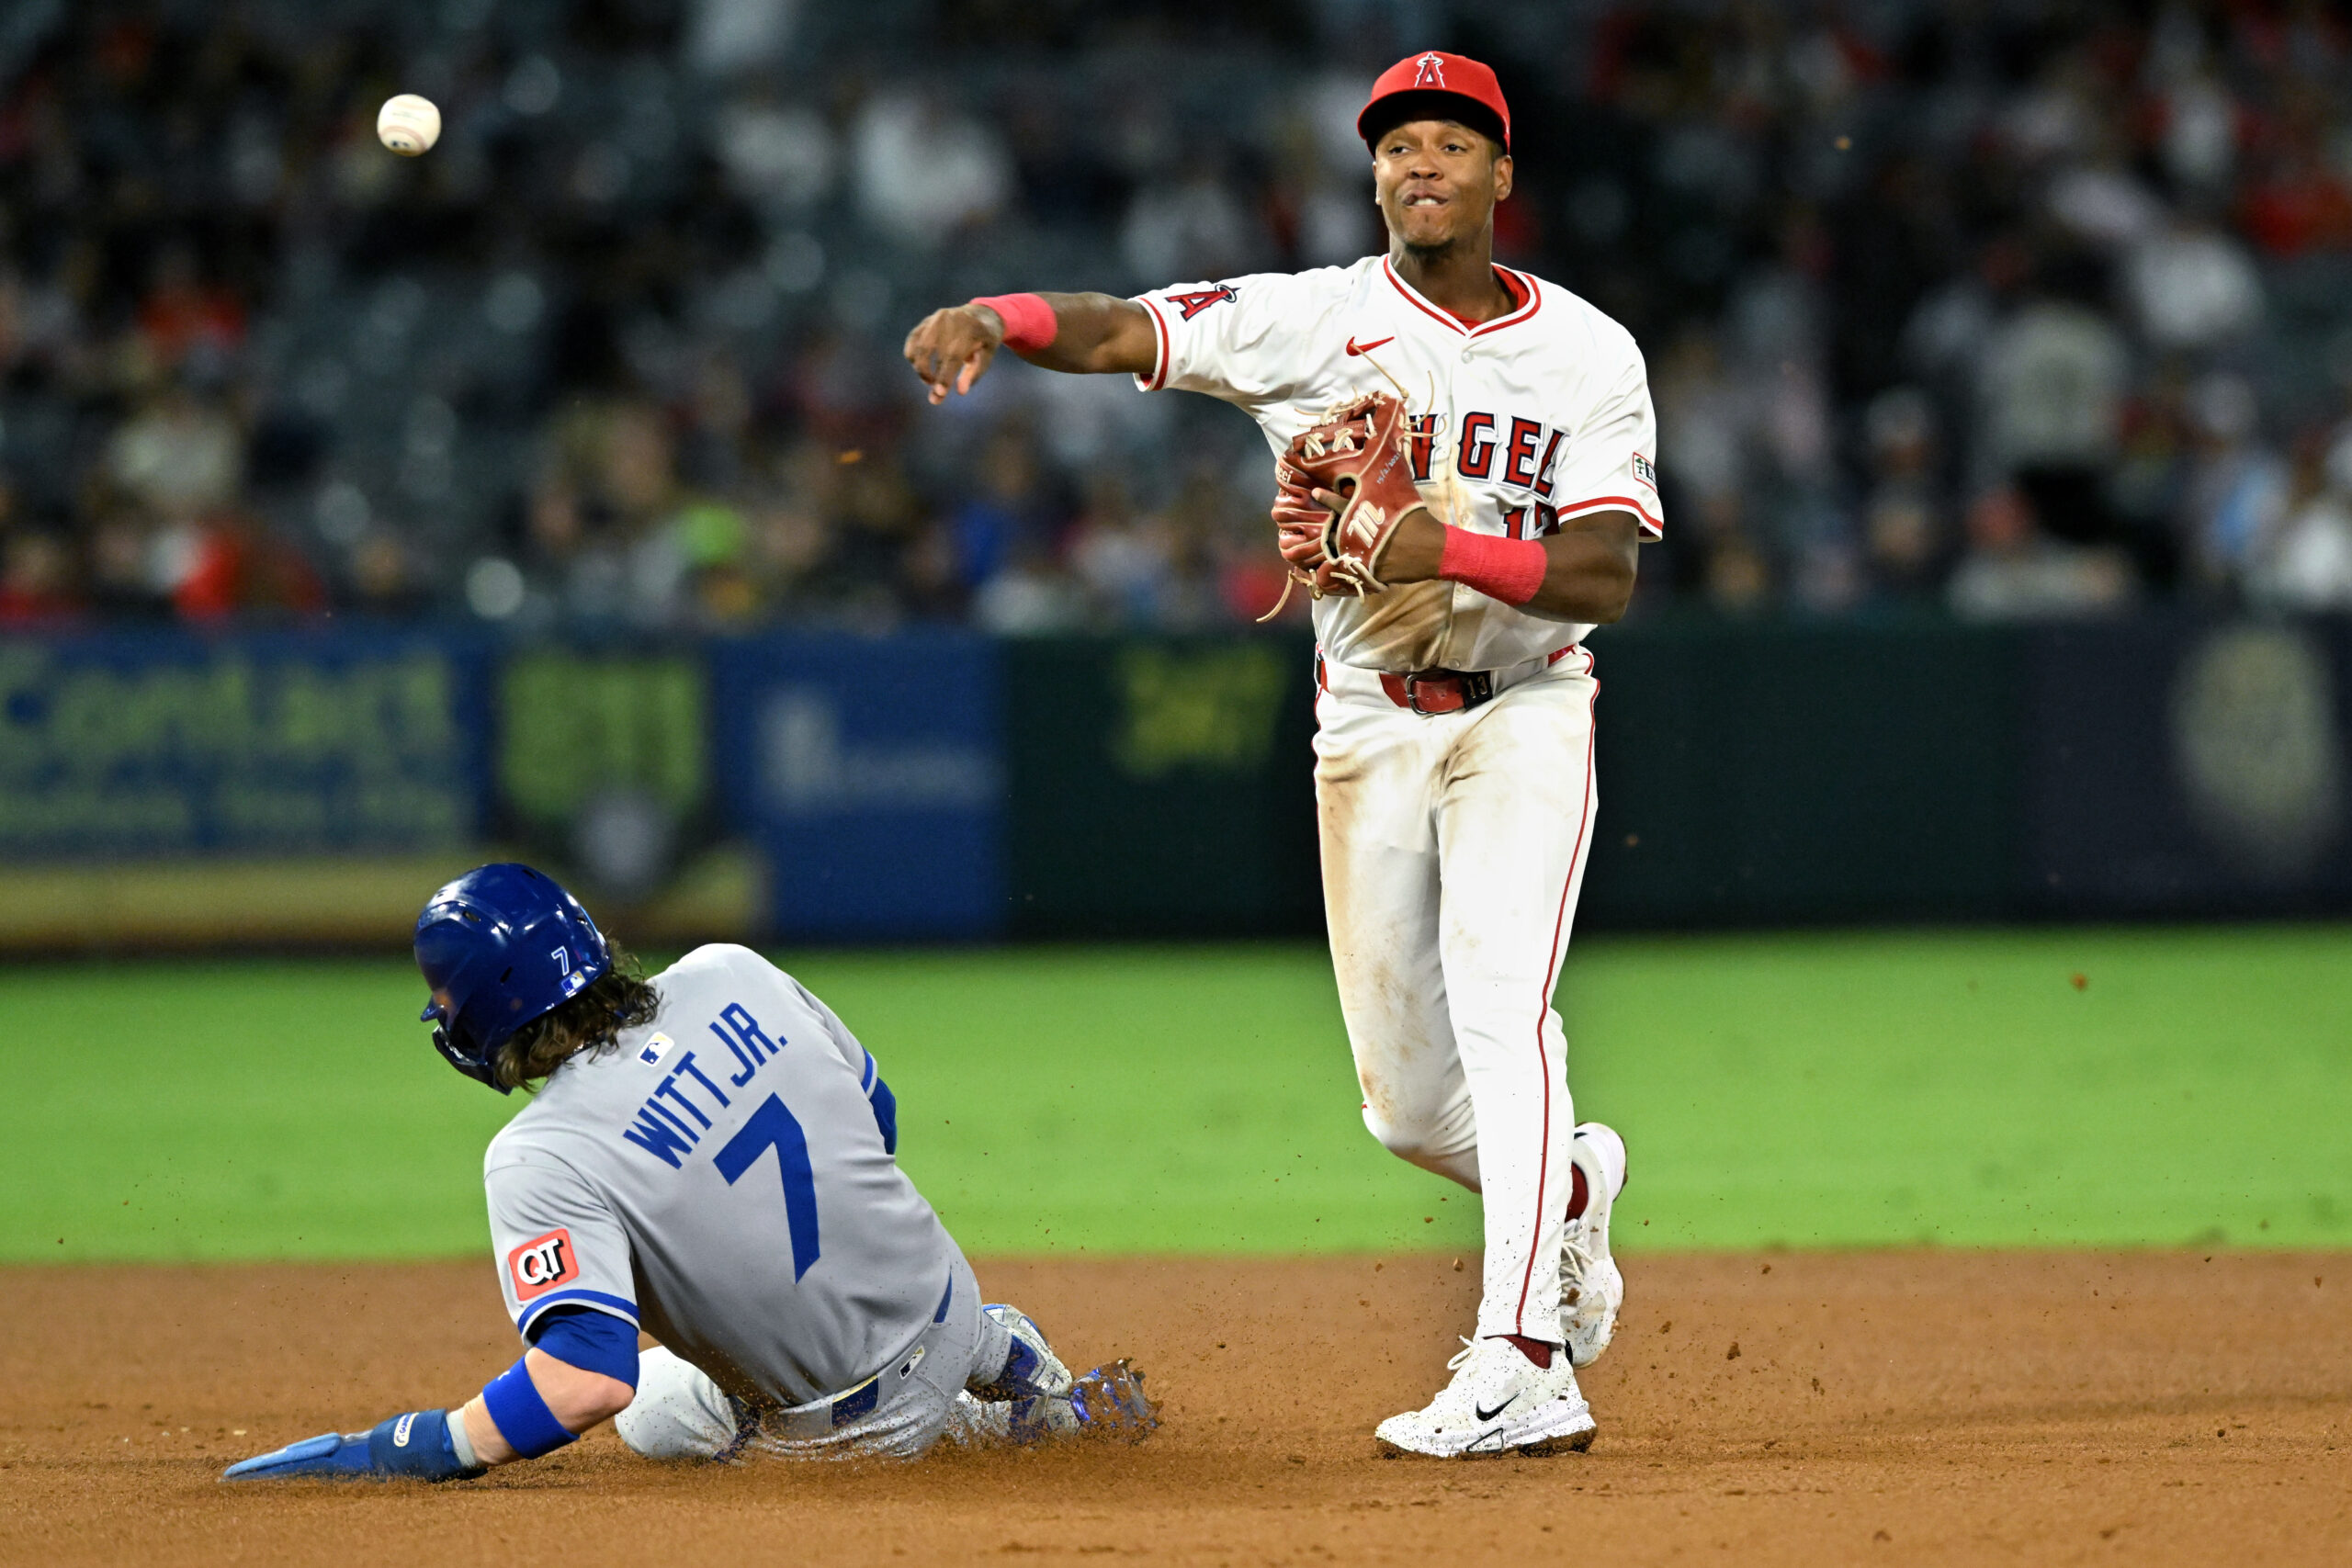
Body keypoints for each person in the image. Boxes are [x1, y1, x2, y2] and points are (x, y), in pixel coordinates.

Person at [903, 51, 1641, 1459]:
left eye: (1449, 141)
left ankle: (1524, 1359)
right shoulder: (1314, 320)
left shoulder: (1589, 351)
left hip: (1526, 702)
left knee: (1505, 1007)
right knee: (1410, 1105)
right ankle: (1565, 1189)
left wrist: (1437, 543)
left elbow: (1603, 573)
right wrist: (997, 314)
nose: (1418, 163)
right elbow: (1126, 330)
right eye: (1396, 145)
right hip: (1366, 714)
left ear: (1501, 174)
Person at [221, 863, 1154, 1482]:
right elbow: (878, 1120)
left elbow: (584, 1381)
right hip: (948, 1291)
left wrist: (406, 1449)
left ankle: (1024, 1429)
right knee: (680, 1397)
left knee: (648, 1419)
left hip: (860, 1429)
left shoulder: (538, 1153)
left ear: (482, 1015)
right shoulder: (730, 968)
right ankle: (1001, 1352)